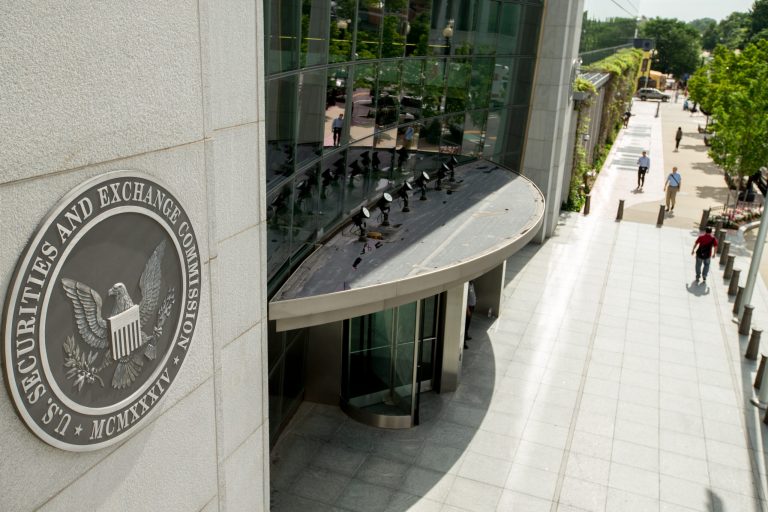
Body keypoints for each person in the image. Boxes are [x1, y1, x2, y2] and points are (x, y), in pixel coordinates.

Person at [464, 281, 476, 349]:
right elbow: (465, 298)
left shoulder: (472, 284)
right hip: (468, 308)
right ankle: (463, 342)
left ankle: (466, 335)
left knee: (468, 323)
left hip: (472, 306)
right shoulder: (467, 285)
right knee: (465, 324)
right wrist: (467, 310)